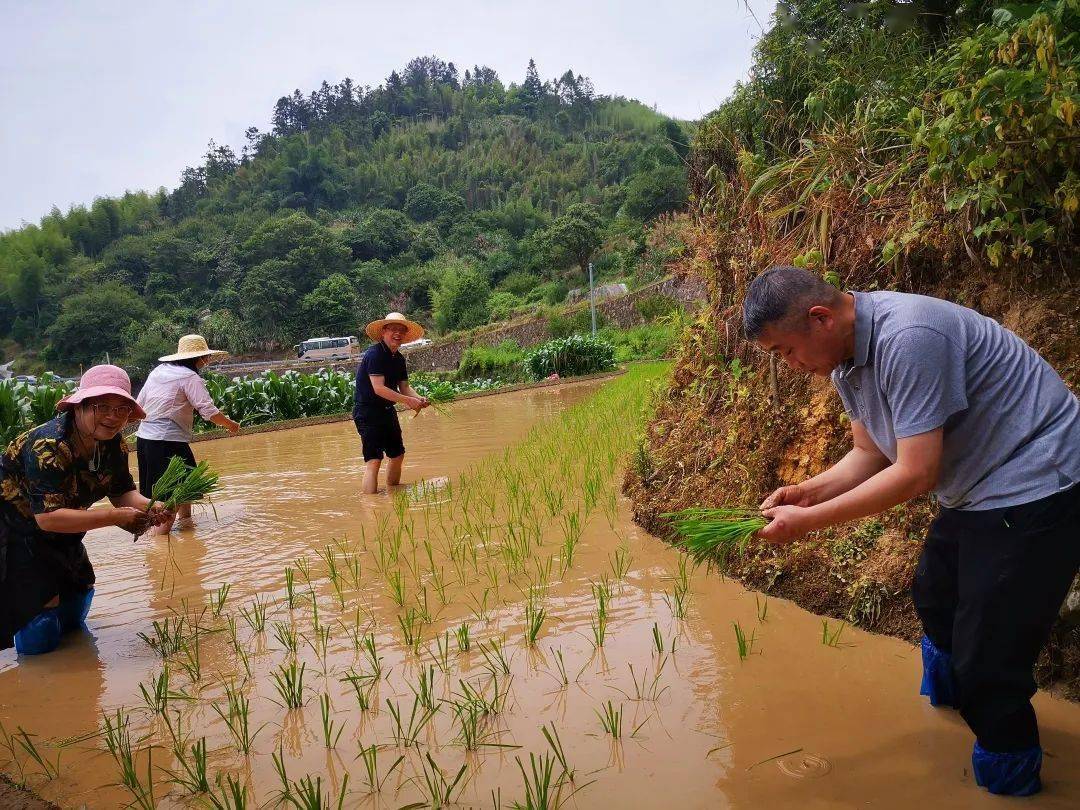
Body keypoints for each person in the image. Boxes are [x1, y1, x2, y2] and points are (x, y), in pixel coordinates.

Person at [741, 266, 1080, 796]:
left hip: (1038, 480)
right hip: (977, 486)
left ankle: (1010, 774)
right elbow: (868, 453)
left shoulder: (909, 338)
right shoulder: (845, 362)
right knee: (934, 594)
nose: (789, 365)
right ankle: (958, 707)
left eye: (785, 351)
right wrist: (808, 491)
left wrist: (807, 523)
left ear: (820, 317)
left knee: (987, 663)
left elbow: (916, 473)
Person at [0, 365, 173, 655]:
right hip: (15, 524)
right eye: (102, 406)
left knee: (78, 589)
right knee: (38, 604)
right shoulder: (49, 445)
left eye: (121, 409)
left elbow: (122, 493)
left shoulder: (114, 445)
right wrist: (113, 518)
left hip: (66, 521)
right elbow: (47, 518)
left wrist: (153, 507)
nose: (112, 417)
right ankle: (37, 677)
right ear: (79, 406)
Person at [135, 335, 240, 534]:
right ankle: (159, 541)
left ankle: (186, 524)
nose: (206, 361)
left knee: (183, 485)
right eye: (204, 358)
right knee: (171, 496)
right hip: (167, 441)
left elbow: (139, 404)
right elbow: (208, 411)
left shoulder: (158, 371)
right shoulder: (190, 377)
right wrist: (231, 425)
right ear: (197, 358)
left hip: (145, 439)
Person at [354, 312, 429, 494]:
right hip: (367, 412)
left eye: (401, 330)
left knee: (397, 455)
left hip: (387, 411)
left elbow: (404, 387)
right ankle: (371, 504)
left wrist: (419, 398)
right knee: (374, 460)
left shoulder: (399, 359)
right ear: (383, 332)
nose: (398, 333)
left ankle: (393, 493)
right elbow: (378, 388)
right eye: (393, 329)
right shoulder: (375, 354)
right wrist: (408, 401)